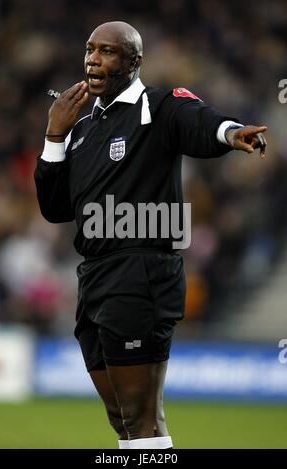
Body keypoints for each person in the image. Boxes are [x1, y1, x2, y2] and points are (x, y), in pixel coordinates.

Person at [34, 21, 267, 449]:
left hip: (141, 271)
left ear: (134, 62)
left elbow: (200, 122)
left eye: (107, 51)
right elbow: (54, 209)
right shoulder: (82, 130)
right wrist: (54, 135)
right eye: (89, 49)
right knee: (122, 419)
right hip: (95, 277)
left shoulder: (158, 106)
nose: (93, 58)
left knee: (143, 419)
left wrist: (231, 133)